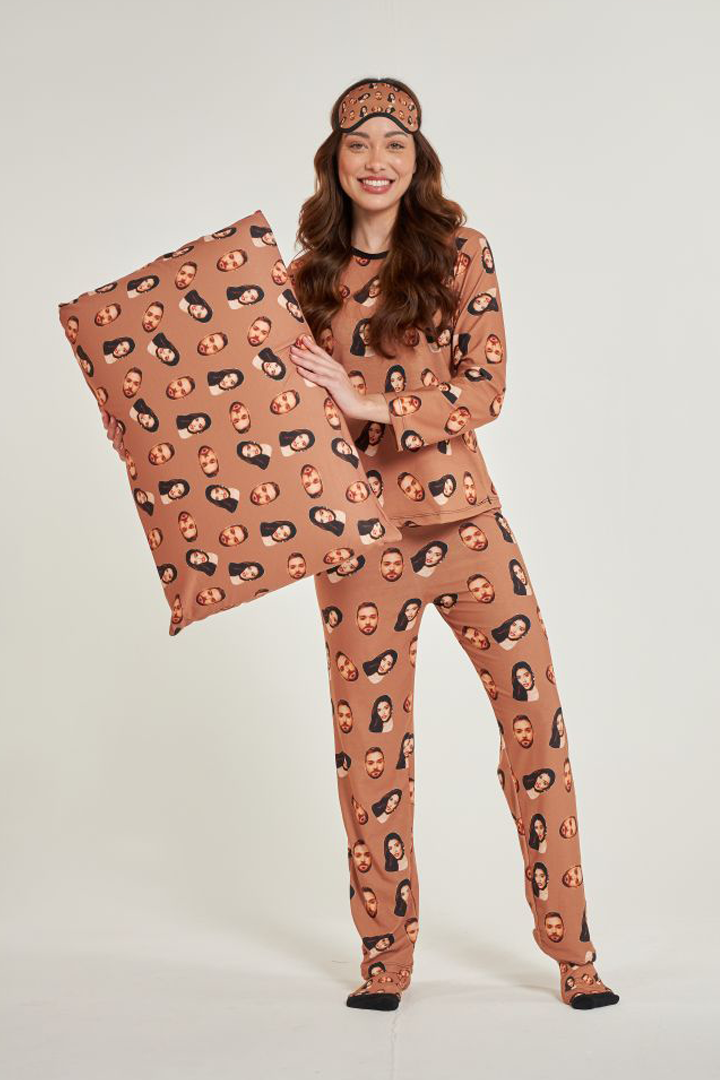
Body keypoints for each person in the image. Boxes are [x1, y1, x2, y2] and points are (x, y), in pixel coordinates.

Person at [100, 75, 620, 1015]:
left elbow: (486, 390)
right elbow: (254, 413)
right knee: (371, 757)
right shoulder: (299, 280)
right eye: (358, 143)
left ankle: (574, 954)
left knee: (535, 728)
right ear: (334, 160)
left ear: (418, 160)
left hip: (467, 529)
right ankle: (386, 958)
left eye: (394, 144)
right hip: (355, 547)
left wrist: (368, 398)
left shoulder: (462, 254)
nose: (376, 161)